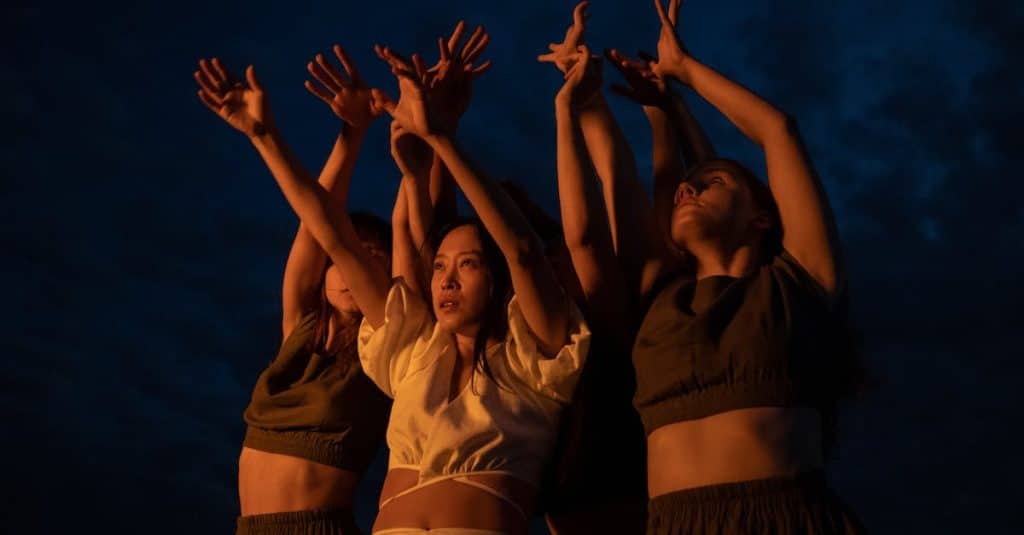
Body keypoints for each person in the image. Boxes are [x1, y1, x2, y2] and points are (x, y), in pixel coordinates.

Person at [613, 1, 866, 532]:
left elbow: (778, 131)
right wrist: (663, 109)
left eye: (716, 184)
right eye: (687, 186)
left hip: (786, 518)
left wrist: (685, 70)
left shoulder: (796, 283)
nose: (689, 189)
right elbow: (671, 179)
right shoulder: (663, 298)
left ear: (761, 219)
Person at [357, 29, 591, 534]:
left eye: (469, 265)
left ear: (497, 278)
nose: (446, 279)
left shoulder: (537, 356)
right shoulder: (423, 355)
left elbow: (523, 252)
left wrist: (443, 134)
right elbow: (422, 232)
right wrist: (425, 149)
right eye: (441, 267)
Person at [194, 47, 395, 534]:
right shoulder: (300, 333)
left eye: (374, 256)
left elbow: (331, 232)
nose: (353, 266)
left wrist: (353, 135)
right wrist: (262, 133)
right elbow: (317, 226)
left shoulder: (385, 348)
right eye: (346, 256)